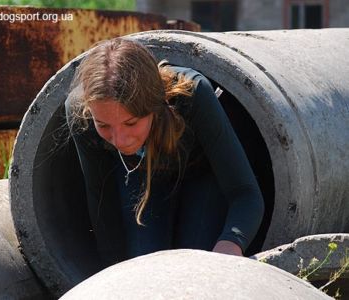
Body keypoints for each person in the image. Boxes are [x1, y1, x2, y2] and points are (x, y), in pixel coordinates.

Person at [65, 38, 264, 268]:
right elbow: (102, 204)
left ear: (155, 106)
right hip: (139, 177)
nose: (119, 139)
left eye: (131, 123)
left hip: (202, 173)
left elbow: (245, 192)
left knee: (194, 264)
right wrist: (116, 272)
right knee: (146, 264)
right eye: (105, 126)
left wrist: (231, 243)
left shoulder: (192, 95)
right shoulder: (82, 113)